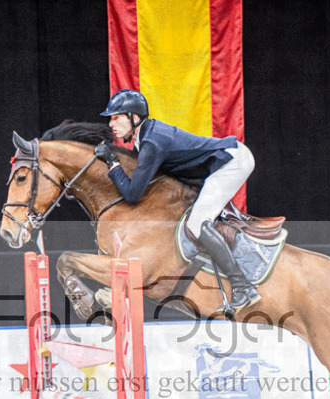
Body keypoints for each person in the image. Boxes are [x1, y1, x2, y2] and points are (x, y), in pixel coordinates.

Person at [93, 89, 259, 314]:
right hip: (221, 163)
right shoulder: (144, 138)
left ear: (134, 117)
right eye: (111, 118)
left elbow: (132, 194)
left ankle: (243, 288)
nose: (111, 123)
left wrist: (112, 163)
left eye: (116, 117)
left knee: (196, 224)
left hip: (232, 162)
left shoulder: (151, 142)